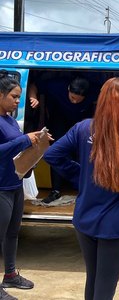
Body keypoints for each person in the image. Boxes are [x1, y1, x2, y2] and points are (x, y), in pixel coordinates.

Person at [43, 77, 119, 300]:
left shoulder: (83, 128)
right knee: (105, 286)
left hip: (84, 217)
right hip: (114, 223)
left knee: (93, 279)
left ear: (101, 101)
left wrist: (81, 176)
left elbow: (52, 155)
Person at [0, 72, 51, 300]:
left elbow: (15, 150)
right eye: (13, 96)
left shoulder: (10, 119)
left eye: (20, 97)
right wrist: (23, 140)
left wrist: (37, 143)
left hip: (14, 183)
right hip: (0, 187)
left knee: (13, 233)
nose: (17, 101)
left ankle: (10, 275)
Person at [28, 76, 99, 204]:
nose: (75, 102)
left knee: (86, 152)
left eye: (79, 100)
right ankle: (56, 190)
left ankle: (84, 188)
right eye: (72, 98)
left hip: (82, 122)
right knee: (56, 151)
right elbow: (34, 85)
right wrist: (33, 97)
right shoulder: (56, 85)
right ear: (68, 89)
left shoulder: (94, 91)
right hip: (59, 120)